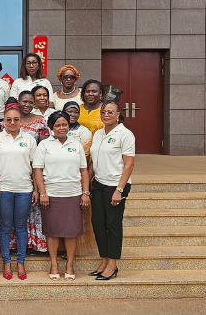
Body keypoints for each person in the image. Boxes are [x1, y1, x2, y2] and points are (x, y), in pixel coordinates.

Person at [33, 111, 90, 281]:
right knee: (52, 232)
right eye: (57, 125)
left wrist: (85, 193)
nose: (61, 128)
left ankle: (70, 265)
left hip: (73, 194)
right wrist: (42, 193)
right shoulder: (44, 145)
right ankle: (54, 264)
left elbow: (84, 170)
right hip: (51, 195)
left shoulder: (76, 145)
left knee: (71, 232)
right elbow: (37, 170)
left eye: (64, 124)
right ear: (51, 127)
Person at [0, 102, 37, 280]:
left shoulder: (30, 139)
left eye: (16, 119)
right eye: (8, 119)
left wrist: (36, 190)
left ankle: (21, 261)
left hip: (24, 188)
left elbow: (35, 167)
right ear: (3, 122)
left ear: (20, 121)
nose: (12, 122)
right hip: (4, 190)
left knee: (20, 226)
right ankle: (6, 261)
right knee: (4, 226)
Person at [88, 100, 135, 281]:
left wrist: (119, 190)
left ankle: (113, 264)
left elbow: (129, 164)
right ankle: (104, 260)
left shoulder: (125, 134)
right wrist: (86, 185)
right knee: (98, 223)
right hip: (99, 183)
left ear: (118, 114)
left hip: (116, 185)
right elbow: (94, 162)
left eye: (110, 112)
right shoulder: (99, 133)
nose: (105, 115)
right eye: (103, 112)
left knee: (113, 225)